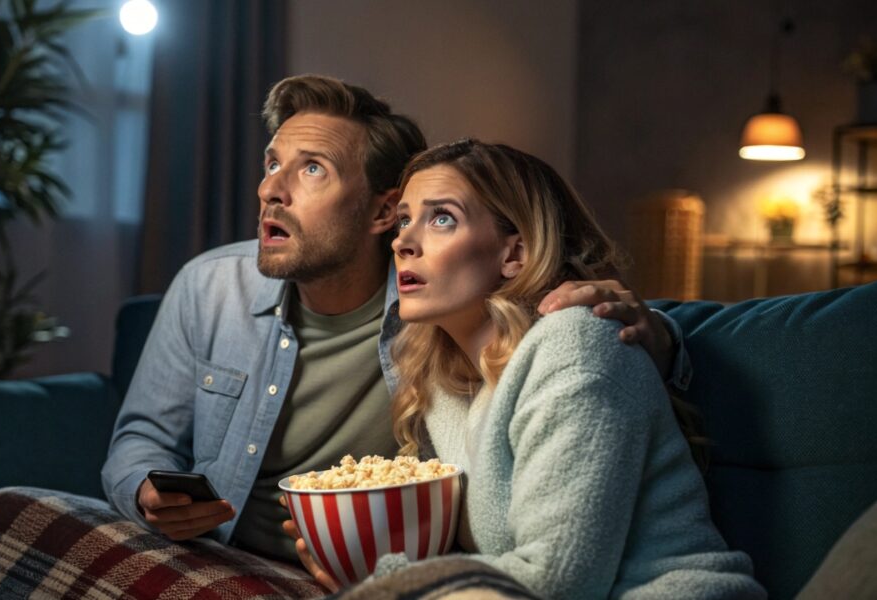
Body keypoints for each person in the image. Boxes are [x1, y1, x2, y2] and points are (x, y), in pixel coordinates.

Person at [101, 75, 691, 565]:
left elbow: (571, 341)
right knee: (19, 513)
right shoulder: (211, 288)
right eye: (272, 162)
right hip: (220, 552)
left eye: (311, 170)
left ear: (379, 211)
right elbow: (141, 439)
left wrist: (660, 340)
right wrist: (146, 490)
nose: (268, 190)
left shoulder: (436, 315)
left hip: (363, 578)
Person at [287, 139, 765, 598]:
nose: (403, 242)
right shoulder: (444, 383)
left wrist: (385, 582)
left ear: (514, 254)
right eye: (405, 219)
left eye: (442, 219)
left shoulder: (577, 344)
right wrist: (354, 552)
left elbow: (558, 582)